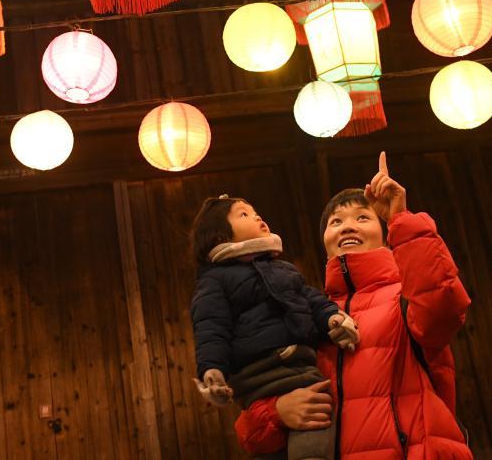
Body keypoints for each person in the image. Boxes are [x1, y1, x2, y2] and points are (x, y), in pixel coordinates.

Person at [235, 152, 473, 459]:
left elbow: (443, 305)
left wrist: (400, 219)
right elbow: (250, 434)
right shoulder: (305, 315)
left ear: (385, 236)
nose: (347, 227)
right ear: (325, 242)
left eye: (362, 218)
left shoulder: (406, 298)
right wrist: (277, 412)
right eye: (336, 221)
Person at [190, 195, 361, 460]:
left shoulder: (283, 269)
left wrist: (332, 318)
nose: (257, 217)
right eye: (244, 214)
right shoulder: (214, 280)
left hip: (301, 370)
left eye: (255, 211)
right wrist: (212, 369)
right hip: (258, 377)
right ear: (220, 237)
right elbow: (210, 328)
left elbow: (312, 299)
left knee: (318, 416)